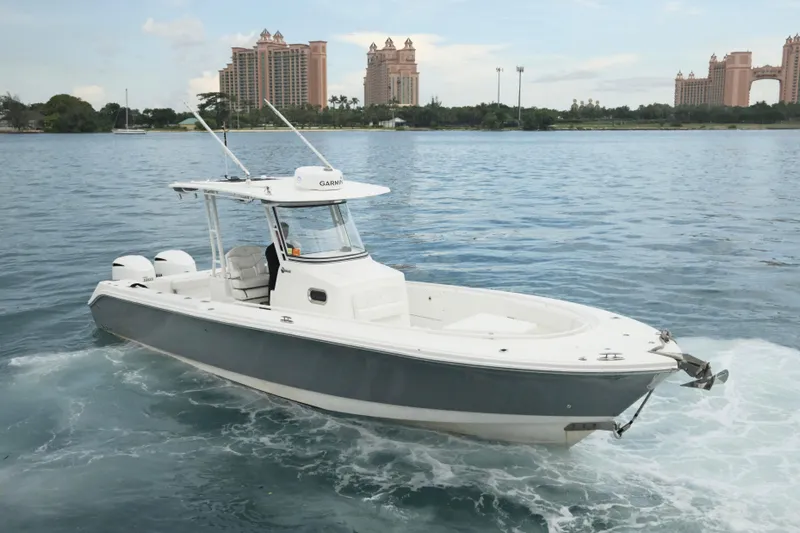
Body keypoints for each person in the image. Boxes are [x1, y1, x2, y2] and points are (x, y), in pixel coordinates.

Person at [265, 222, 290, 295]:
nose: (285, 234)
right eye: (283, 232)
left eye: (287, 232)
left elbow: (297, 260)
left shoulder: (291, 247)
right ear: (276, 233)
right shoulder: (270, 250)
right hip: (276, 281)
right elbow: (273, 269)